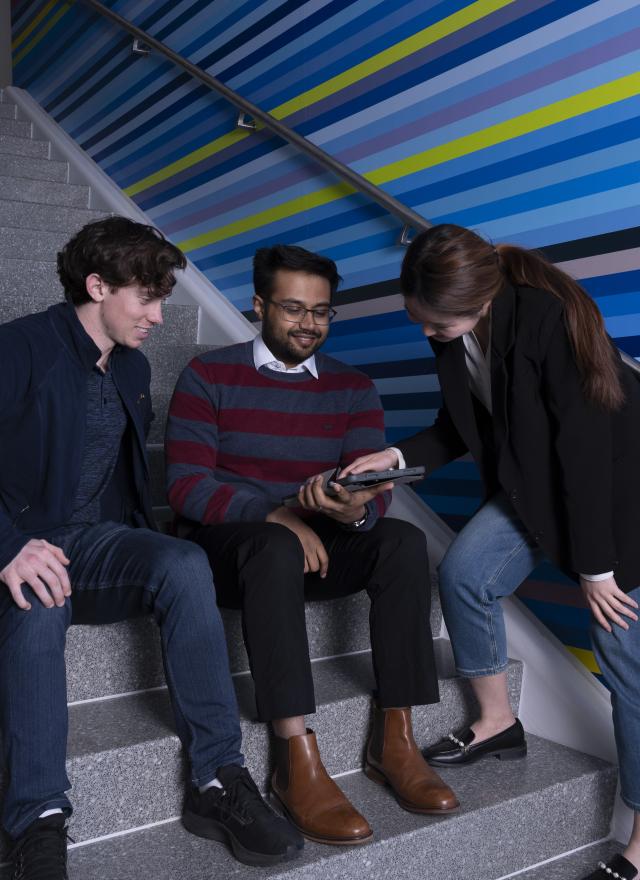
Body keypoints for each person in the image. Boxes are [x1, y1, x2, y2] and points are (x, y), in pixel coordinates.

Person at [0, 217, 303, 880]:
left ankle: (218, 780)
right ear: (97, 285)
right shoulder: (18, 349)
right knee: (38, 602)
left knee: (184, 563)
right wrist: (11, 546)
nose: (161, 316)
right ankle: (36, 821)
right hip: (19, 548)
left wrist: (149, 545)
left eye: (165, 299)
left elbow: (125, 483)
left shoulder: (132, 368)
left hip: (93, 544)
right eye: (147, 298)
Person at [342, 223, 640, 880]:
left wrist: (596, 570)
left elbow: (585, 456)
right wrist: (393, 459)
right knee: (466, 573)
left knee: (628, 670)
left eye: (434, 323)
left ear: (478, 300)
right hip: (534, 482)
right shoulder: (455, 333)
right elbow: (460, 424)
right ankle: (498, 722)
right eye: (420, 320)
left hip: (619, 498)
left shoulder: (546, 320)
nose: (427, 333)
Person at [165, 243, 459, 847]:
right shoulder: (208, 375)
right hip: (231, 553)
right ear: (258, 306)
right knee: (273, 547)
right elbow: (186, 486)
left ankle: (394, 739)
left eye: (321, 312)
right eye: (293, 308)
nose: (308, 324)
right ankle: (294, 756)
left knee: (402, 541)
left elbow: (373, 490)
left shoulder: (352, 387)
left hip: (318, 547)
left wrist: (355, 510)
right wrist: (275, 514)